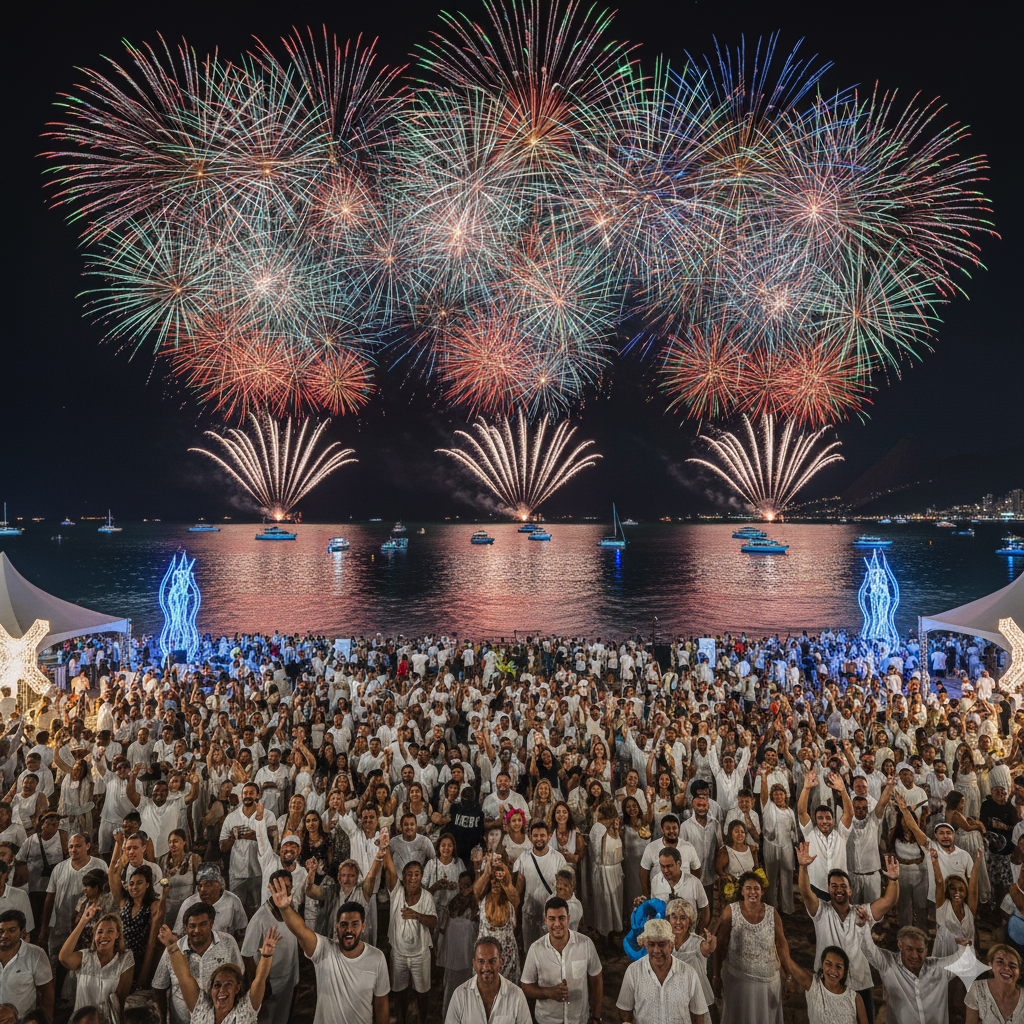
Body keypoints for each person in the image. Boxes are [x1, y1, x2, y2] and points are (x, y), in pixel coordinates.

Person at [797, 841, 900, 1024]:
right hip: (828, 982)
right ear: (828, 890)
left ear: (850, 890)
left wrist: (893, 879)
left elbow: (888, 901)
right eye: (834, 886)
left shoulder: (862, 912)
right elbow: (805, 892)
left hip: (860, 982)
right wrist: (803, 867)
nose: (839, 889)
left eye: (843, 886)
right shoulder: (821, 912)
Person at [270, 879, 390, 1024]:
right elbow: (301, 931)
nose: (349, 930)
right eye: (344, 924)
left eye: (355, 924)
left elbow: (381, 1004)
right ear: (336, 927)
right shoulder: (323, 949)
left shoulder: (377, 958)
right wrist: (284, 908)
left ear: (363, 927)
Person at [156, 920, 279, 1024]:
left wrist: (266, 956)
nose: (222, 990)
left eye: (228, 984)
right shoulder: (201, 1010)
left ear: (237, 989)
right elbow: (184, 977)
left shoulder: (244, 1012)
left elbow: (260, 980)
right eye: (217, 985)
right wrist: (172, 947)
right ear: (211, 989)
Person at [856, 912, 966, 1024]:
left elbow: (963, 959)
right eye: (909, 949)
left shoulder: (938, 968)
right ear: (900, 946)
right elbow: (868, 948)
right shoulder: (889, 964)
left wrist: (960, 937)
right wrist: (863, 926)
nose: (915, 956)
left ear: (926, 950)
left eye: (920, 951)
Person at [713, 871, 786, 1024]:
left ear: (762, 891)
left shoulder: (773, 913)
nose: (752, 892)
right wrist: (716, 975)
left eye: (756, 888)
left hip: (768, 983)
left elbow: (781, 946)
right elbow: (720, 946)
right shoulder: (731, 911)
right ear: (742, 891)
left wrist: (789, 976)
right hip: (737, 981)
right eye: (748, 888)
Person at [152, 902, 243, 1024]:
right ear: (185, 927)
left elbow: (239, 980)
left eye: (203, 924)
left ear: (211, 923)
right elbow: (159, 987)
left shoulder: (228, 943)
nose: (197, 930)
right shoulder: (174, 949)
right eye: (192, 926)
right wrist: (163, 1021)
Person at [377, 839, 437, 1024]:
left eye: (417, 874)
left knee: (422, 993)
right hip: (399, 954)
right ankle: (402, 1019)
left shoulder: (426, 896)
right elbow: (389, 868)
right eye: (409, 874)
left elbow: (433, 922)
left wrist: (417, 915)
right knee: (399, 991)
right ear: (403, 876)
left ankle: (422, 1020)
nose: (413, 878)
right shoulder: (396, 892)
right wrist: (385, 849)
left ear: (421, 876)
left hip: (421, 955)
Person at [40, 831, 107, 989]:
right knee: (56, 961)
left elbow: (107, 894)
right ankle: (55, 997)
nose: (73, 849)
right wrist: (44, 927)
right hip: (60, 924)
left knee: (83, 962)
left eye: (78, 845)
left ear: (88, 846)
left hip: (88, 927)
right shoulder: (59, 868)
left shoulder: (99, 865)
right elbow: (50, 898)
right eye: (70, 846)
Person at [521, 896, 603, 1024]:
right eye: (552, 919)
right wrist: (548, 992)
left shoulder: (585, 944)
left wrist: (596, 1017)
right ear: (545, 920)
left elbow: (596, 980)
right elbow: (526, 986)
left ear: (568, 919)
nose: (557, 924)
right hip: (547, 1020)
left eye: (561, 918)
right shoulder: (536, 949)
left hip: (579, 1019)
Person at [616, 917, 709, 1024]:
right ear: (645, 945)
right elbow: (625, 1012)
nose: (656, 951)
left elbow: (698, 1015)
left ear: (671, 945)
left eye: (661, 944)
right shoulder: (633, 971)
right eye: (651, 944)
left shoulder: (689, 973)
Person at [241, 871, 300, 1024]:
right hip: (269, 982)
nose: (282, 891)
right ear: (270, 888)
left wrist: (295, 977)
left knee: (282, 1018)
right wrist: (259, 984)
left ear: (292, 887)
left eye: (285, 887)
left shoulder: (292, 908)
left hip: (288, 978)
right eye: (277, 887)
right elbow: (247, 955)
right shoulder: (260, 918)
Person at [58, 905, 134, 1024]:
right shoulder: (85, 957)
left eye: (110, 931)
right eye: (100, 932)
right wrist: (83, 921)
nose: (104, 936)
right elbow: (64, 957)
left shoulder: (125, 959)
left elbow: (121, 999)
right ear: (94, 935)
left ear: (117, 935)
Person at [777, 939, 868, 1024]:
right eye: (828, 964)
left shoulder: (855, 998)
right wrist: (789, 979)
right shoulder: (813, 986)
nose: (833, 970)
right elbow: (787, 960)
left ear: (845, 970)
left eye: (839, 966)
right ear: (822, 965)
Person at [444, 936, 531, 1024]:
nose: (486, 967)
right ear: (474, 964)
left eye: (492, 961)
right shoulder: (459, 996)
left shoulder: (517, 995)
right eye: (481, 962)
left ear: (501, 962)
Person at [107, 856, 165, 986]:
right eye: (131, 883)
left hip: (139, 958)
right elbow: (112, 875)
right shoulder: (124, 903)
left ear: (147, 885)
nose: (134, 887)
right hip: (120, 955)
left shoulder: (153, 906)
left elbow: (152, 941)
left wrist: (145, 970)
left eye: (139, 883)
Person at [798, 770, 854, 900]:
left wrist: (843, 791)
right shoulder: (810, 834)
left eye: (828, 818)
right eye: (820, 818)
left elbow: (849, 814)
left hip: (839, 889)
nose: (824, 821)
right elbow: (801, 811)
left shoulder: (841, 834)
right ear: (815, 820)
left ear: (833, 820)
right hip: (816, 887)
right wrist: (806, 788)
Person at [515, 820, 567, 950]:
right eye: (535, 836)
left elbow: (564, 890)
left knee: (551, 952)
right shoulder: (523, 858)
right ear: (530, 837)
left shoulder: (558, 858)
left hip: (552, 917)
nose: (539, 839)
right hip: (529, 914)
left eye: (542, 835)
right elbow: (518, 890)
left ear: (549, 836)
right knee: (531, 951)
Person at [473, 851, 521, 982]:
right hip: (486, 958)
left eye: (498, 880)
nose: (495, 882)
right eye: (492, 880)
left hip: (508, 959)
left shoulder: (510, 902)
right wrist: (487, 871)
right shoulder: (482, 900)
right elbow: (476, 891)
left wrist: (504, 875)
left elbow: (516, 899)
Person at [0, 909, 53, 1021]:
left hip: (23, 1021)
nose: (5, 935)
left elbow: (46, 993)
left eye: (11, 930)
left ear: (23, 931)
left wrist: (46, 1020)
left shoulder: (36, 954)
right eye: (1, 931)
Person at [173, 864, 248, 942]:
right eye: (200, 885)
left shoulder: (232, 901)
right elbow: (178, 935)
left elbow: (241, 934)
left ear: (219, 885)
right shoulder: (189, 903)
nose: (202, 889)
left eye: (208, 885)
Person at [931, 846, 982, 955]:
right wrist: (935, 860)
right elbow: (939, 882)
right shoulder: (942, 906)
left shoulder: (969, 910)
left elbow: (973, 889)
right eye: (953, 888)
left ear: (965, 893)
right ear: (948, 891)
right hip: (945, 953)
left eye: (961, 889)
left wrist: (977, 861)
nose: (957, 892)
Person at [666, 897, 716, 1008]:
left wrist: (711, 945)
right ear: (668, 919)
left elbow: (708, 949)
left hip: (695, 999)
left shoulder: (697, 942)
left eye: (683, 918)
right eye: (674, 917)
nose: (678, 922)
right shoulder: (664, 942)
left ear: (690, 922)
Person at [587, 805, 624, 943]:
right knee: (605, 905)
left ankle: (614, 935)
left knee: (616, 906)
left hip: (616, 871)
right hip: (604, 872)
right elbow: (597, 856)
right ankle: (604, 937)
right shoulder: (598, 829)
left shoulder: (615, 829)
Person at [965, 943, 1024, 1024]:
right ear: (991, 965)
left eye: (1013, 966)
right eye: (1000, 962)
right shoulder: (977, 989)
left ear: (1019, 973)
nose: (1007, 968)